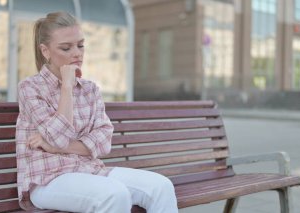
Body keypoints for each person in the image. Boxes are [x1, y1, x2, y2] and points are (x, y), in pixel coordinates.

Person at [15, 11, 178, 213]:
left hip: (90, 171)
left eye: (80, 45)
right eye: (66, 47)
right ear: (45, 51)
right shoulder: (30, 88)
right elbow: (58, 137)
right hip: (47, 179)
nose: (77, 53)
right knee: (114, 194)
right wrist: (66, 86)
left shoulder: (90, 89)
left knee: (161, 187)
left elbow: (103, 140)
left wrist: (59, 148)